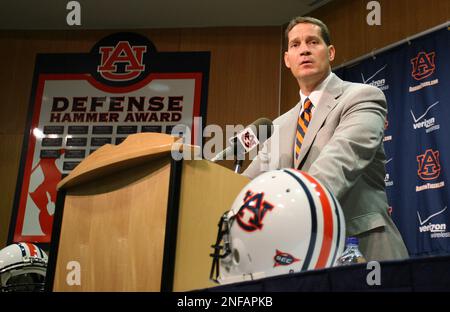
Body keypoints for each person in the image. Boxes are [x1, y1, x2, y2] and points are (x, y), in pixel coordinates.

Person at [243, 16, 409, 261]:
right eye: (295, 45)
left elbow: (340, 161)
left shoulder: (362, 97)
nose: (305, 50)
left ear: (330, 53)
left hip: (362, 251)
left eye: (313, 42)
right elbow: (248, 185)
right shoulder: (278, 126)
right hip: (302, 259)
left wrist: (288, 211)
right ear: (287, 60)